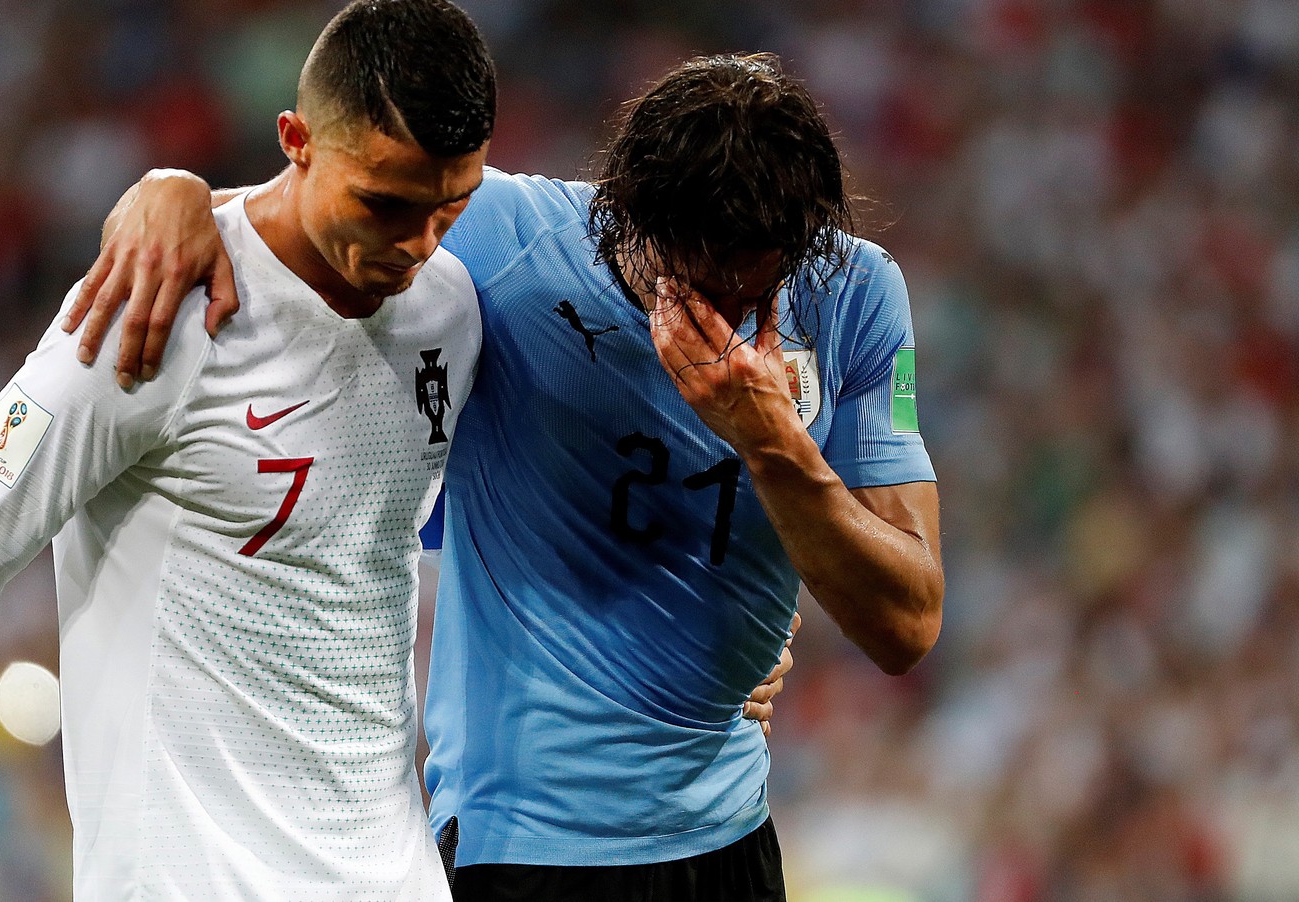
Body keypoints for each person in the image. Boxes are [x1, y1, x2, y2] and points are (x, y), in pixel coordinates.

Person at [71, 53, 939, 901]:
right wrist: (168, 195)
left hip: (730, 835)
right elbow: (288, 219)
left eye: (763, 288)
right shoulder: (508, 240)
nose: (732, 321)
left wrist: (773, 447)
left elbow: (906, 622)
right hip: (524, 847)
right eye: (699, 287)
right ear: (627, 222)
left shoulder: (859, 297)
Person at [0, 2, 499, 899]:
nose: (418, 243)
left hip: (393, 878)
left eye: (452, 206)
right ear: (295, 140)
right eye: (385, 204)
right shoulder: (152, 312)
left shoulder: (452, 308)